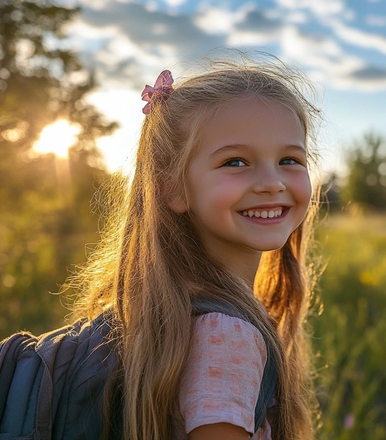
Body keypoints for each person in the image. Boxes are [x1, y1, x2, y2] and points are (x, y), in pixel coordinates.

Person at [66, 54, 321, 440]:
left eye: (289, 159)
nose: (272, 182)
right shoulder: (226, 335)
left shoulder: (161, 307)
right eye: (236, 162)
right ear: (173, 188)